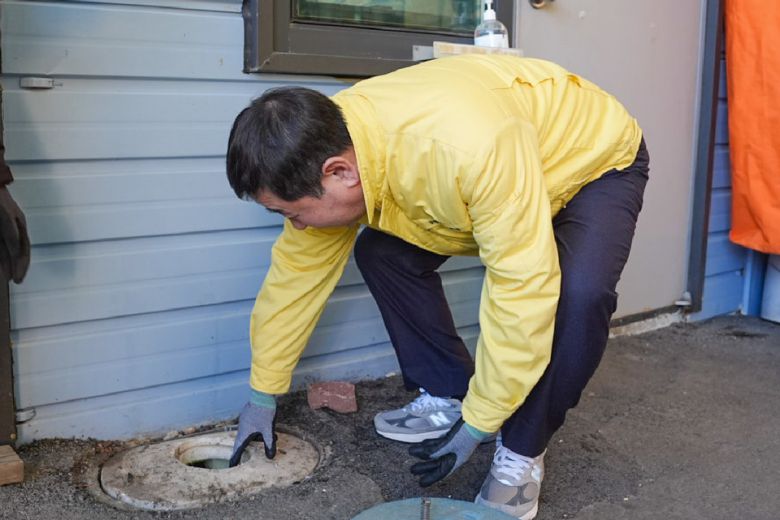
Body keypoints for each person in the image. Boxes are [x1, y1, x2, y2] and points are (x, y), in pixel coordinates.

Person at [225, 54, 648, 520]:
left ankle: (522, 450)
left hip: (590, 161)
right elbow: (294, 279)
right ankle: (450, 394)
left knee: (579, 293)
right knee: (383, 254)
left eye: (292, 213)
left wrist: (482, 421)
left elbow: (520, 286)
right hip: (503, 171)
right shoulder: (325, 142)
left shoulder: (468, 148)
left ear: (340, 172)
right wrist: (262, 392)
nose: (297, 226)